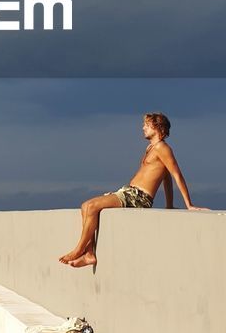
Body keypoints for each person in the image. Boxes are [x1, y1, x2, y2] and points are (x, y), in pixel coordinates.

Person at [59, 112, 209, 268]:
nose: (143, 128)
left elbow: (176, 175)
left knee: (91, 206)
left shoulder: (163, 148)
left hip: (139, 197)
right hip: (128, 192)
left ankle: (79, 249)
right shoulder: (151, 148)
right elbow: (166, 177)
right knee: (85, 207)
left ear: (157, 127)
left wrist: (189, 204)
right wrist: (169, 204)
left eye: (146, 125)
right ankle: (89, 254)